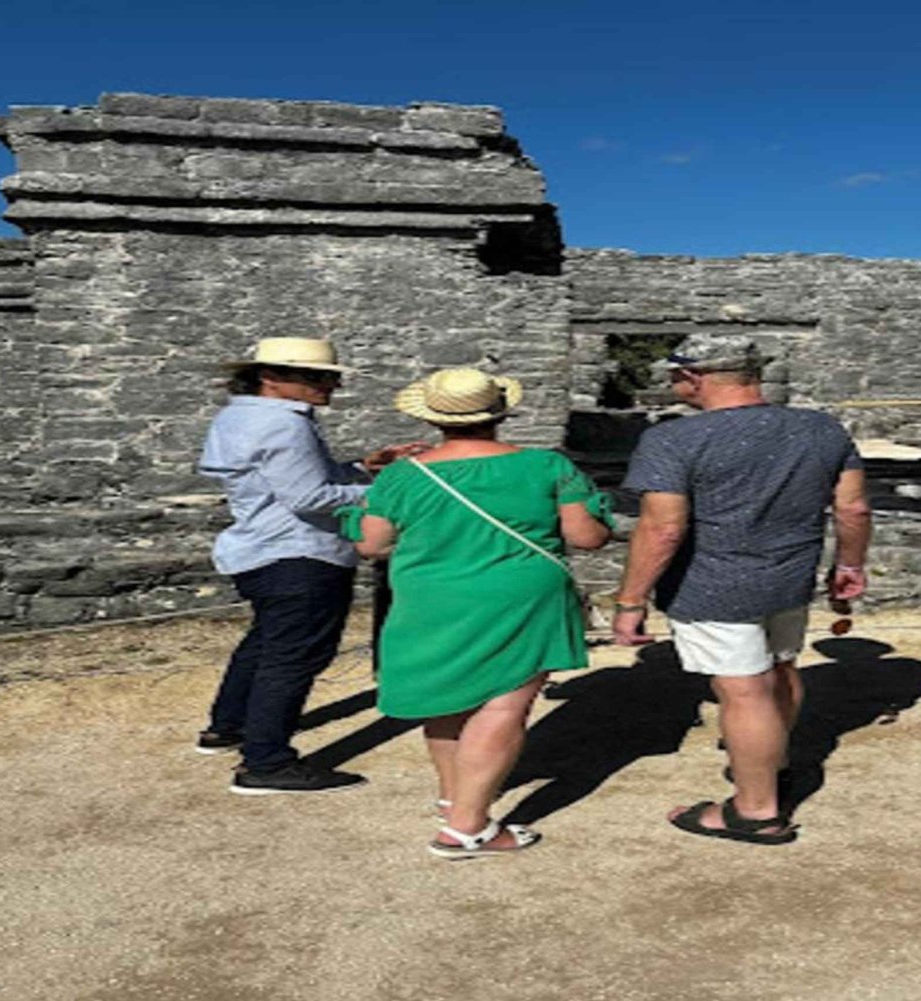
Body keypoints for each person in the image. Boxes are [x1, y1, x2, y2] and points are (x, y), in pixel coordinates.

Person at [341, 367, 613, 858]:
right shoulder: (546, 467)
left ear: (433, 418)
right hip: (520, 593)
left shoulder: (403, 474)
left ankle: (454, 799)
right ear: (501, 414)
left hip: (430, 597)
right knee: (505, 702)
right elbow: (586, 537)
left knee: (445, 698)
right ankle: (467, 827)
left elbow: (372, 545)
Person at [612, 334, 871, 845]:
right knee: (781, 670)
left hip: (712, 585)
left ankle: (756, 809)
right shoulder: (821, 429)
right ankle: (772, 766)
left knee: (742, 690)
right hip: (789, 576)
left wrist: (630, 600)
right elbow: (854, 508)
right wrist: (850, 564)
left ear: (693, 377)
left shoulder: (673, 440)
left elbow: (662, 528)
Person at [197, 336, 426, 795]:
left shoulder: (240, 415)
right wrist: (392, 489)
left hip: (262, 548)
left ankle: (229, 725)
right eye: (317, 377)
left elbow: (293, 482)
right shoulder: (285, 425)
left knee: (266, 643)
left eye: (331, 377)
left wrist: (363, 466)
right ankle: (266, 761)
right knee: (295, 656)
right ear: (271, 378)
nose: (331, 386)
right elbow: (310, 497)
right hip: (300, 551)